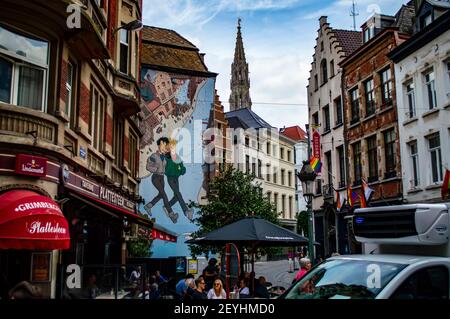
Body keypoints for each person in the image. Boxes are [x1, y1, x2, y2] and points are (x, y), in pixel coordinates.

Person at [145, 137, 178, 223]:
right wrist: (155, 169)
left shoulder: (165, 157)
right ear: (159, 145)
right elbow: (148, 166)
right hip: (155, 177)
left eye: (165, 145)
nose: (164, 146)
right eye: (162, 144)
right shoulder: (154, 156)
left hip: (162, 178)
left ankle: (149, 206)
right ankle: (171, 214)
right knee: (164, 195)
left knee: (161, 195)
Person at [165, 139, 194, 221]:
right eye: (171, 147)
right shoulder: (166, 157)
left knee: (176, 196)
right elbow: (166, 167)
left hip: (176, 178)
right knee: (178, 193)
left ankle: (167, 206)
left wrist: (182, 170)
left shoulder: (176, 156)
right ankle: (186, 211)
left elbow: (181, 166)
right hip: (170, 178)